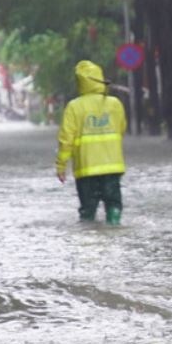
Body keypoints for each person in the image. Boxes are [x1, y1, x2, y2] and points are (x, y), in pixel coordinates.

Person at [55, 60, 127, 225]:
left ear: (80, 82)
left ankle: (88, 233)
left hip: (86, 169)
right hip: (112, 167)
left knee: (87, 210)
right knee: (114, 204)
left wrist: (61, 165)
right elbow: (121, 130)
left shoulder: (74, 107)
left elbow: (66, 139)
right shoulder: (115, 104)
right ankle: (114, 227)